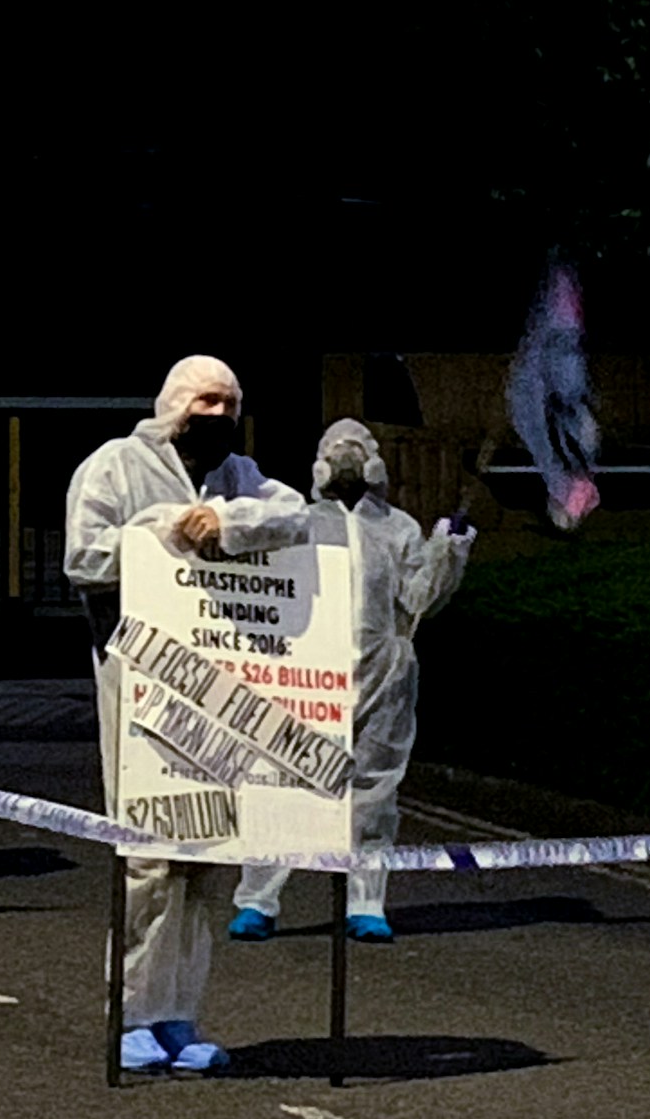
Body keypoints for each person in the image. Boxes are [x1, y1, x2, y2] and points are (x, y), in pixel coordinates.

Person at [66, 356, 306, 1074]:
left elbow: (296, 515)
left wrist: (227, 521)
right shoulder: (115, 466)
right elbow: (84, 556)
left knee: (204, 862)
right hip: (137, 679)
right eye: (207, 401)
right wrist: (168, 531)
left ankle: (177, 1015)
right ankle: (131, 1013)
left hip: (216, 692)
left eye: (231, 404)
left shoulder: (239, 478)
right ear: (174, 403)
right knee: (147, 857)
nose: (220, 416)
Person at [228, 419, 469, 943]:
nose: (346, 460)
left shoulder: (400, 529)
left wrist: (446, 553)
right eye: (337, 450)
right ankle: (257, 900)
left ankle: (366, 901)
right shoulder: (299, 524)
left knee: (374, 793)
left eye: (356, 450)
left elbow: (420, 602)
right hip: (309, 679)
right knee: (286, 787)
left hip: (384, 677)